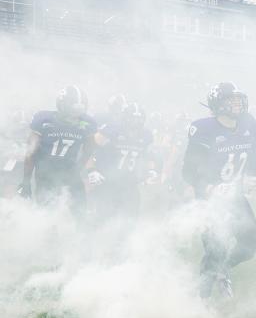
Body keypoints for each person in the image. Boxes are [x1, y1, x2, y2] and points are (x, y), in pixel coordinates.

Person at [182, 82, 256, 298]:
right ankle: (202, 300)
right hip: (210, 199)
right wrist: (209, 188)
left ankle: (224, 269)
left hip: (235, 195)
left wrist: (251, 173)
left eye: (238, 98)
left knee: (250, 243)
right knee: (214, 250)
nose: (237, 103)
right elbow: (188, 171)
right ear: (218, 104)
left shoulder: (247, 122)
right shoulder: (204, 129)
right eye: (231, 99)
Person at [20, 85, 97, 216]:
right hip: (46, 174)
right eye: (73, 108)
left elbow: (90, 148)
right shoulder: (44, 119)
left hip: (70, 172)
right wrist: (26, 181)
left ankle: (79, 235)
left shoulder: (87, 123)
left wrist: (79, 168)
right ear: (62, 105)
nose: (76, 113)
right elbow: (30, 152)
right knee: (47, 212)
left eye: (80, 108)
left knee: (80, 212)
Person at [87, 102, 155, 222]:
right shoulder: (112, 130)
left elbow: (148, 155)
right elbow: (87, 148)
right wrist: (91, 170)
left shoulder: (146, 135)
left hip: (130, 183)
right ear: (125, 118)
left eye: (139, 120)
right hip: (107, 182)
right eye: (133, 119)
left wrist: (150, 171)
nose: (136, 123)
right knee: (103, 219)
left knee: (130, 220)